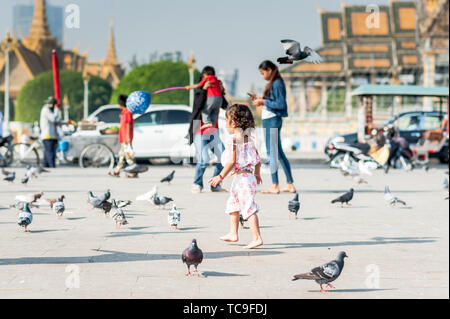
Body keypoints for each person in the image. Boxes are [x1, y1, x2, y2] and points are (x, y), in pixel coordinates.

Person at [209, 104, 263, 249]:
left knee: (248, 207)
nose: (226, 125)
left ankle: (256, 237)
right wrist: (257, 175)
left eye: (226, 121)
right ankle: (233, 233)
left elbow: (231, 162)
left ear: (233, 123)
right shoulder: (249, 140)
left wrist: (219, 177)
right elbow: (257, 160)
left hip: (242, 180)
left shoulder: (232, 140)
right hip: (246, 178)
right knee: (233, 204)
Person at [251, 60, 296, 194]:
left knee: (272, 153)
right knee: (279, 154)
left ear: (269, 70)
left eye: (263, 73)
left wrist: (263, 101)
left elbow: (281, 104)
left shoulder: (277, 83)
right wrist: (261, 100)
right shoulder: (275, 83)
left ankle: (275, 185)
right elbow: (274, 102)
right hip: (271, 119)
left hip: (272, 120)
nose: (262, 76)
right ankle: (290, 184)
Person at [185, 66, 223, 131]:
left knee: (205, 110)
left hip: (212, 98)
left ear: (205, 74)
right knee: (215, 112)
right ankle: (212, 124)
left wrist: (189, 87)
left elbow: (198, 85)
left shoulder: (207, 78)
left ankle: (207, 123)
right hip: (219, 99)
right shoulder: (216, 80)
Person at [109, 95, 137, 178]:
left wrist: (128, 138)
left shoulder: (127, 112)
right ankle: (117, 171)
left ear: (120, 104)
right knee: (121, 155)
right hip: (124, 137)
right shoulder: (124, 112)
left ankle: (134, 171)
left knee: (128, 157)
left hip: (126, 138)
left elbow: (128, 124)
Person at [40, 97, 64, 168]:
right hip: (48, 135)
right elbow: (53, 119)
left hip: (52, 136)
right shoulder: (46, 110)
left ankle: (47, 168)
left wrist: (65, 122)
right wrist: (56, 109)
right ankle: (52, 168)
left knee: (47, 155)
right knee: (50, 154)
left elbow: (56, 121)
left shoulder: (50, 111)